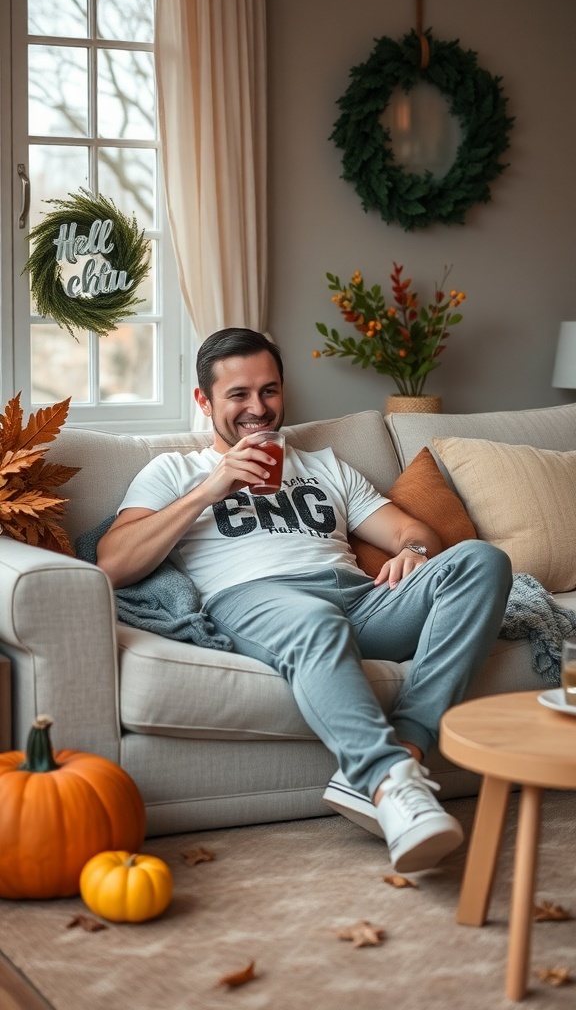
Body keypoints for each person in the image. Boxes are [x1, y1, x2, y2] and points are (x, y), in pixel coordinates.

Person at [97, 328, 512, 872]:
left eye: (268, 391)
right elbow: (112, 562)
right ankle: (389, 785)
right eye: (238, 395)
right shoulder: (176, 472)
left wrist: (413, 550)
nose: (257, 408)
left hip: (363, 603)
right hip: (256, 600)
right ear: (204, 401)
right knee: (315, 620)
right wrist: (209, 490)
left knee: (483, 561)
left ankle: (406, 749)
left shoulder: (325, 466)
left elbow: (414, 530)